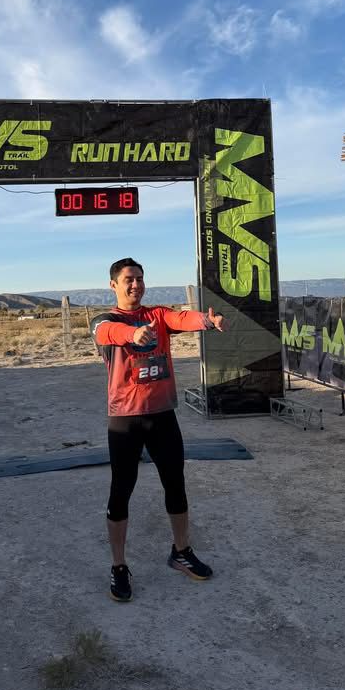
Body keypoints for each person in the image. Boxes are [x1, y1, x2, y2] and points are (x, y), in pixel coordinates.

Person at [91, 257, 225, 602]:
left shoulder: (158, 315)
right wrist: (133, 334)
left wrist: (206, 321)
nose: (135, 284)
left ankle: (181, 552)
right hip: (125, 419)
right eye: (128, 279)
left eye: (139, 278)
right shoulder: (104, 320)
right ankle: (119, 566)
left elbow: (181, 318)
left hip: (163, 416)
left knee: (175, 484)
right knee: (121, 490)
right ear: (113, 285)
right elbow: (107, 332)